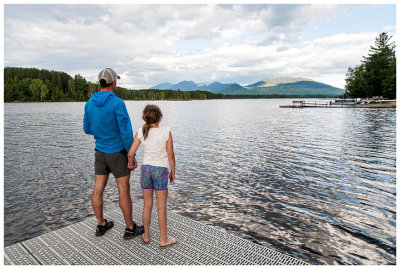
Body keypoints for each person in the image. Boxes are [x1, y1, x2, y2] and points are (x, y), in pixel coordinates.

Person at [83, 68, 144, 239]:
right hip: (117, 153)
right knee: (123, 190)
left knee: (98, 189)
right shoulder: (118, 103)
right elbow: (125, 133)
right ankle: (130, 228)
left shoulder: (89, 103)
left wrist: (101, 131)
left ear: (101, 83)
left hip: (100, 153)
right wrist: (131, 156)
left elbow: (87, 128)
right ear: (114, 83)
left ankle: (101, 224)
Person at [127, 104, 178, 247]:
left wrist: (131, 164)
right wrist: (173, 171)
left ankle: (146, 235)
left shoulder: (140, 132)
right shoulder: (166, 131)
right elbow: (171, 155)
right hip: (160, 171)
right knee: (161, 207)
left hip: (146, 170)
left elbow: (131, 153)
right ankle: (164, 239)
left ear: (145, 117)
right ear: (160, 117)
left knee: (147, 205)